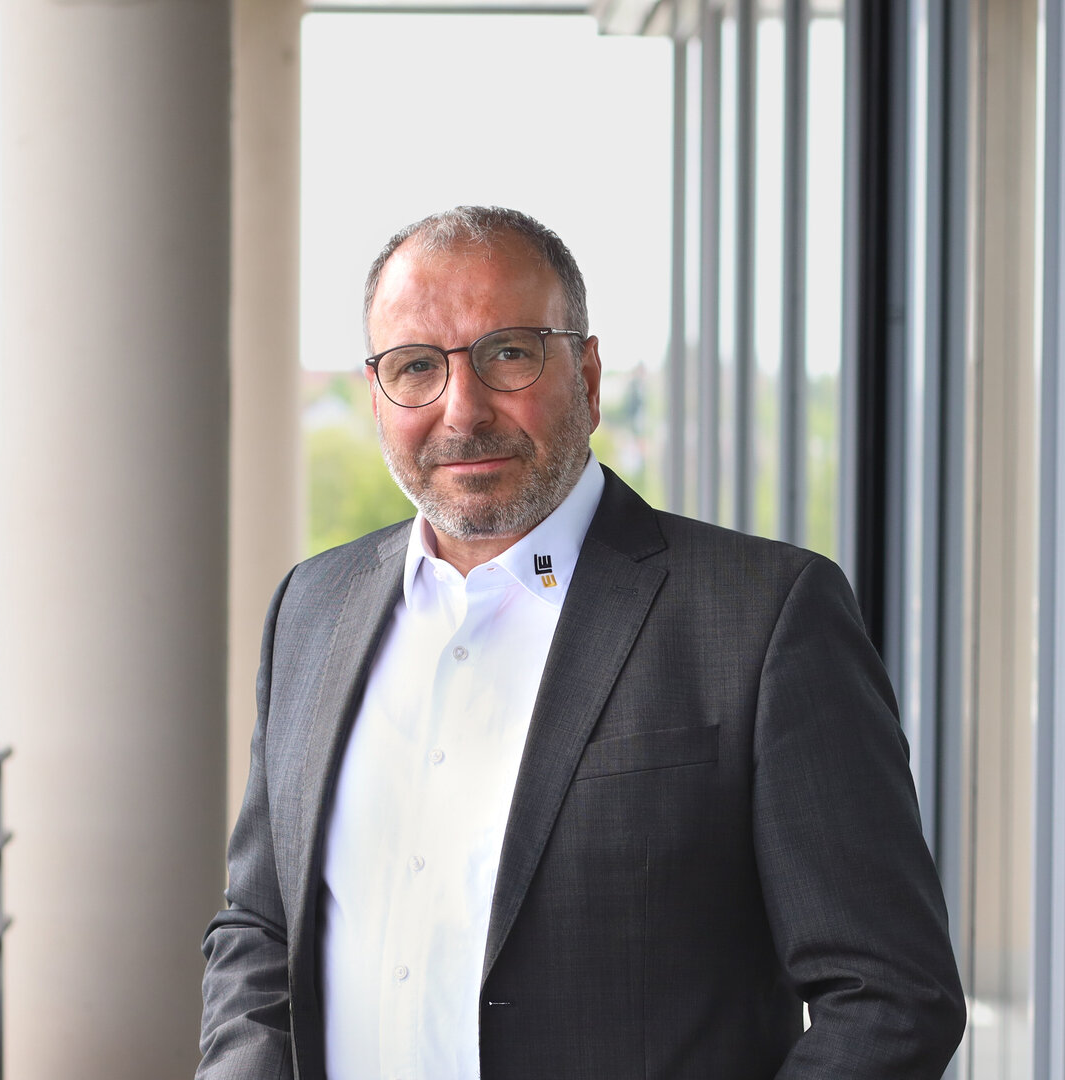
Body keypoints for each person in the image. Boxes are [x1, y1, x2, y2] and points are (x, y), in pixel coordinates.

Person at [199, 206, 964, 1079]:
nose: (463, 409)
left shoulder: (764, 616)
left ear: (589, 377)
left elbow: (892, 996)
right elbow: (259, 923)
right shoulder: (311, 607)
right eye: (416, 367)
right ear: (377, 394)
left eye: (509, 353)